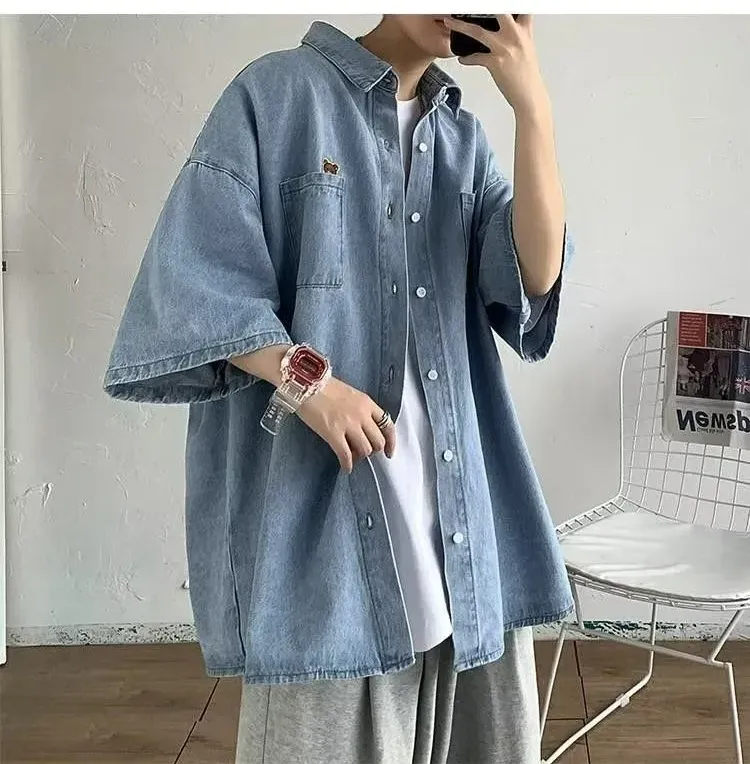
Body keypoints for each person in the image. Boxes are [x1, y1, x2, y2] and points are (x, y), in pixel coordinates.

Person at [103, 14, 574, 764]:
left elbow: (532, 280)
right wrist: (309, 384)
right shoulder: (276, 94)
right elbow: (194, 286)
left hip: (460, 528)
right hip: (324, 532)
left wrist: (534, 106)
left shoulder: (462, 139)